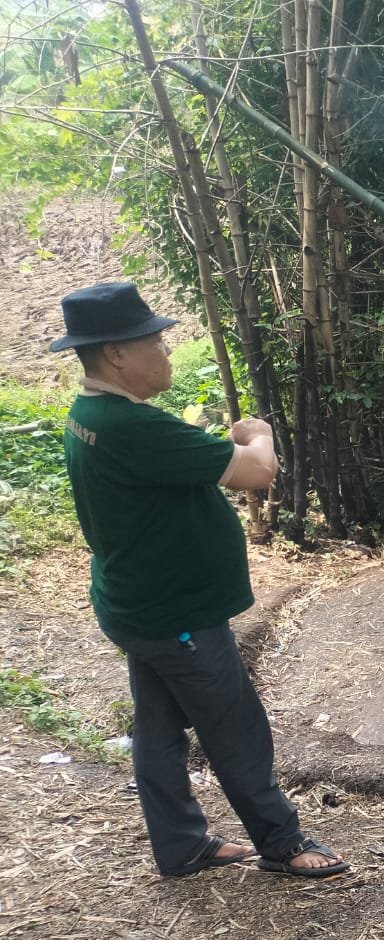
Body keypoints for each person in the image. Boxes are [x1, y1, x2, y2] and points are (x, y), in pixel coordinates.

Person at [52, 282, 346, 879]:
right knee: (235, 726)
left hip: (139, 605)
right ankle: (282, 843)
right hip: (176, 613)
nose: (165, 352)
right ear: (115, 354)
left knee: (158, 727)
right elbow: (258, 473)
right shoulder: (133, 428)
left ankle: (182, 843)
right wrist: (255, 432)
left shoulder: (90, 416)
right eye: (155, 342)